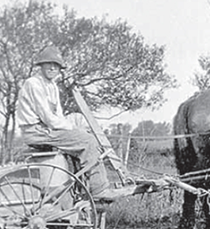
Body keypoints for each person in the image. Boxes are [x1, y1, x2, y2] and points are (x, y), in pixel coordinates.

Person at [17, 46, 133, 200]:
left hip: (45, 128)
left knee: (80, 121)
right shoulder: (34, 84)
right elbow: (48, 117)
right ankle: (98, 189)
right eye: (48, 64)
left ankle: (81, 184)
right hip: (37, 130)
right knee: (89, 141)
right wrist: (72, 130)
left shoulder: (52, 86)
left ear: (59, 68)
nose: (52, 67)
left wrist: (74, 128)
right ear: (41, 65)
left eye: (56, 65)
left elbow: (58, 114)